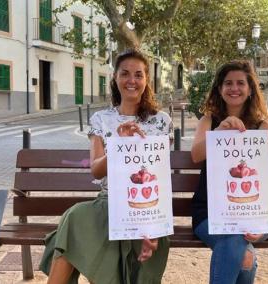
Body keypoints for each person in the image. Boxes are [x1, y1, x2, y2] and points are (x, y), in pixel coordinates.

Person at [39, 49, 173, 284]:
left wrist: (152, 228)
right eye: (125, 74)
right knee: (75, 217)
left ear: (146, 80)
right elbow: (97, 170)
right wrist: (119, 145)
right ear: (115, 78)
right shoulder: (101, 119)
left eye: (138, 75)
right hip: (108, 201)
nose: (132, 80)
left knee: (78, 234)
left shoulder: (161, 121)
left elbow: (160, 177)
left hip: (145, 207)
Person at [191, 60, 268, 284]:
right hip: (209, 213)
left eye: (240, 83)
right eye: (228, 83)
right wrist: (218, 132)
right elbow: (196, 155)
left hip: (253, 213)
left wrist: (260, 225)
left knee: (239, 243)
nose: (234, 88)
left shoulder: (262, 127)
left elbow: (262, 175)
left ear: (250, 89)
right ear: (219, 89)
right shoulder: (208, 121)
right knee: (244, 254)